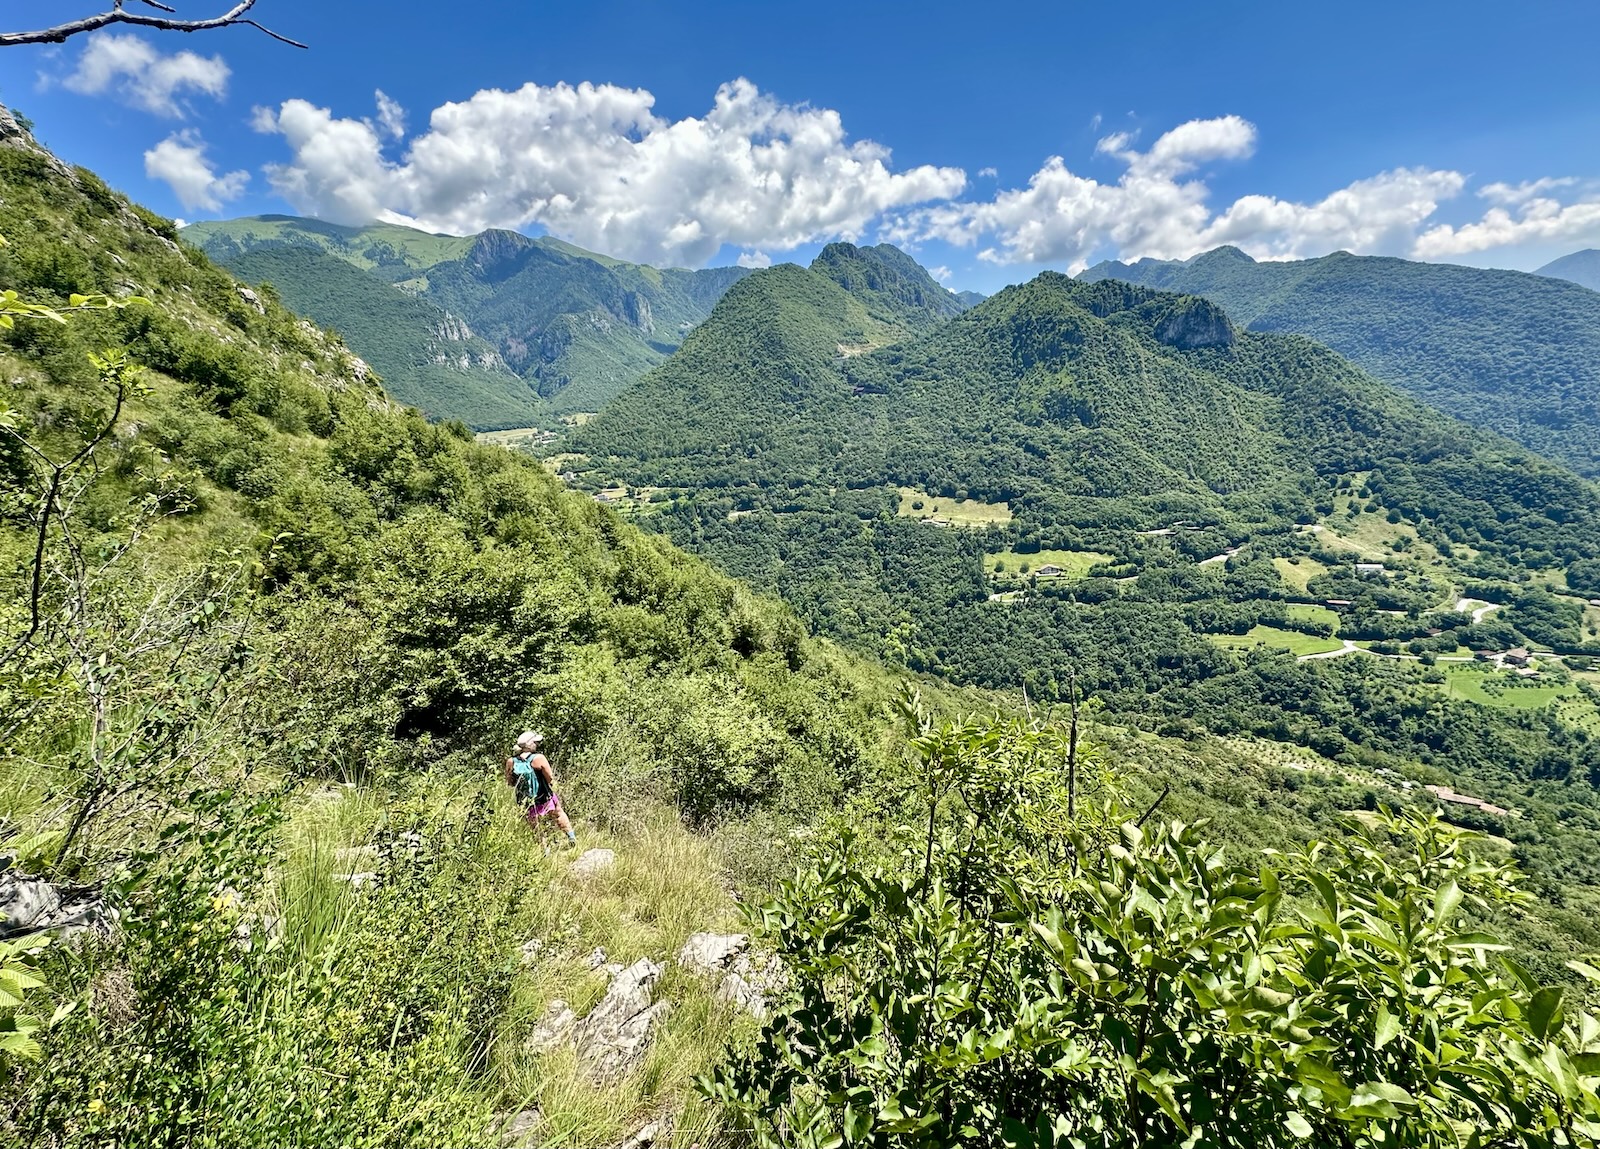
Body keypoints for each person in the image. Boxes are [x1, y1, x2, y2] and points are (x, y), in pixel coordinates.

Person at [505, 731, 577, 850]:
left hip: (525, 801)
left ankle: (545, 850)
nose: (537, 744)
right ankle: (571, 838)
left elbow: (510, 782)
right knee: (558, 813)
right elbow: (550, 778)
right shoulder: (539, 758)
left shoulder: (511, 761)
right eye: (535, 742)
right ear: (529, 744)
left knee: (535, 825)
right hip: (543, 796)